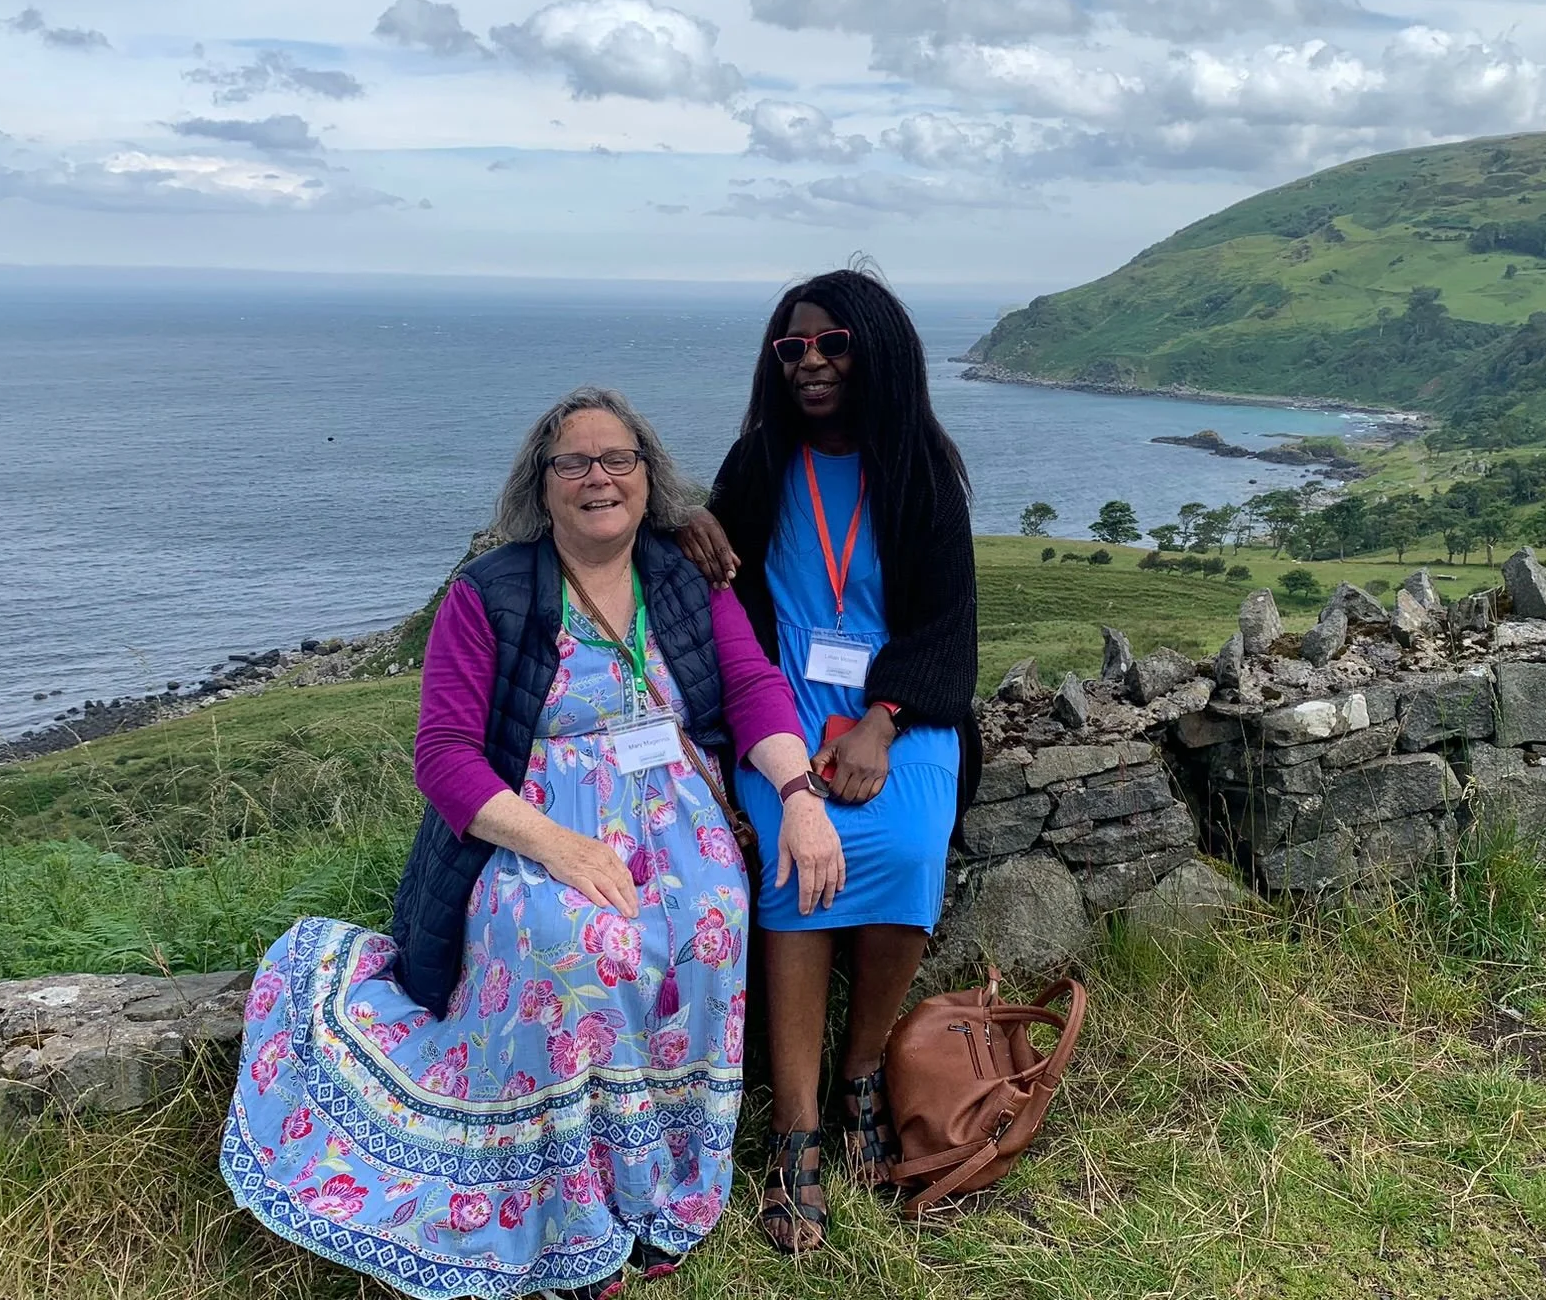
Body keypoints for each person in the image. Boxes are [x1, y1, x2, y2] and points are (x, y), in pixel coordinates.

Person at [222, 387, 842, 1300]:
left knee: (710, 923)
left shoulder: (680, 575)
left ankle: (662, 1189)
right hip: (534, 822)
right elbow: (443, 756)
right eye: (573, 463)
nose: (598, 477)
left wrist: (799, 796)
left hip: (679, 817)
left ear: (648, 475)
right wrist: (557, 846)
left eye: (617, 460)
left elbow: (750, 686)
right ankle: (568, 1214)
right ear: (541, 485)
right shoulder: (492, 593)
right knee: (573, 948)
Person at [679, 266, 980, 1254]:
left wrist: (881, 723)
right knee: (788, 862)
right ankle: (796, 1129)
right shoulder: (760, 459)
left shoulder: (922, 469)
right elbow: (714, 570)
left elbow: (944, 625)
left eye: (831, 345)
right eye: (791, 349)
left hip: (897, 708)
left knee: (900, 848)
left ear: (874, 352)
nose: (809, 363)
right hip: (785, 706)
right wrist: (688, 521)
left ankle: (861, 1073)